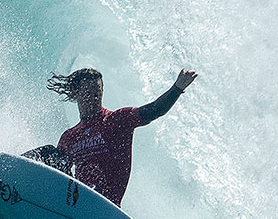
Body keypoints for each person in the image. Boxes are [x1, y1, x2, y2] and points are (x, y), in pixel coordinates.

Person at [25, 67, 197, 207]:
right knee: (48, 153)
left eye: (98, 91)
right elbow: (60, 177)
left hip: (106, 206)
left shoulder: (118, 120)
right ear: (75, 93)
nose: (94, 96)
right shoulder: (70, 137)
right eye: (88, 91)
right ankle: (8, 177)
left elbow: (153, 110)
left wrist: (177, 89)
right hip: (76, 204)